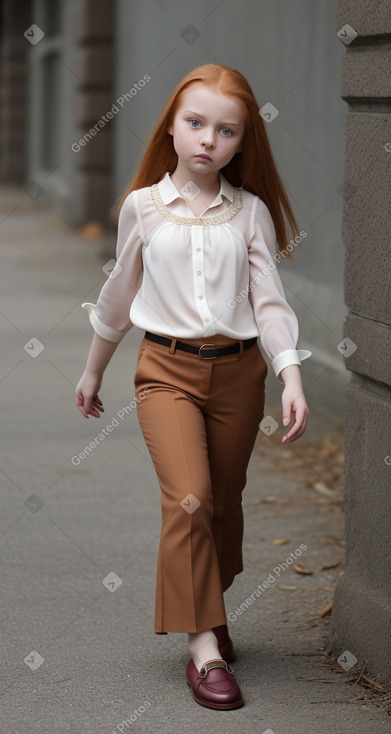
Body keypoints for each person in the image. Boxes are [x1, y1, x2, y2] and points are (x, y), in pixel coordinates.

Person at [75, 63, 311, 711]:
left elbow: (268, 303)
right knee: (189, 498)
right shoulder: (143, 209)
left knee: (223, 504)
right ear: (172, 128)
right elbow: (119, 293)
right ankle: (202, 644)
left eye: (226, 130)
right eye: (195, 123)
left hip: (240, 375)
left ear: (242, 142)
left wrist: (290, 372)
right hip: (165, 372)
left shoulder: (250, 213)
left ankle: (208, 597)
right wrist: (94, 368)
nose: (208, 139)